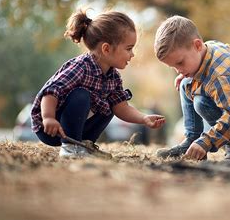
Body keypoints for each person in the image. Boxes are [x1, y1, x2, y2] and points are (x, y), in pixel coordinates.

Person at [30, 9, 165, 158]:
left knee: (110, 104)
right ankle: (70, 148)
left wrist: (144, 118)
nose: (132, 54)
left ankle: (84, 145)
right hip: (50, 127)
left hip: (74, 130)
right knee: (81, 95)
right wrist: (48, 117)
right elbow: (51, 92)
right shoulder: (81, 67)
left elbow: (122, 107)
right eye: (129, 48)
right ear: (106, 49)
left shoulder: (113, 77)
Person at [154, 15, 230, 163]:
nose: (178, 70)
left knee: (201, 102)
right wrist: (185, 72)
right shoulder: (207, 48)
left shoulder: (220, 75)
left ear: (197, 45)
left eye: (180, 63)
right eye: (174, 67)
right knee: (186, 84)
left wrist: (206, 142)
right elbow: (229, 49)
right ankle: (192, 140)